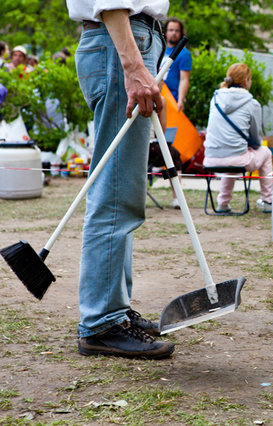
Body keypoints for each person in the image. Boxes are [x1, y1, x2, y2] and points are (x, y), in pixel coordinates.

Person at [67, 0, 175, 359]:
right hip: (122, 42)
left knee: (121, 189)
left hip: (128, 40)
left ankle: (113, 309)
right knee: (116, 192)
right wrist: (133, 64)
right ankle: (102, 322)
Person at [203, 63, 273, 213]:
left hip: (210, 158)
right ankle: (268, 201)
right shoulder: (252, 104)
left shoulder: (215, 100)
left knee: (234, 153)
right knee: (265, 152)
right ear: (246, 81)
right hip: (237, 159)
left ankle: (223, 203)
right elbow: (256, 139)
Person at [163, 18, 191, 112]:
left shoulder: (184, 54)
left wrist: (181, 100)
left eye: (177, 30)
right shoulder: (159, 48)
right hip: (156, 96)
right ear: (165, 32)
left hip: (172, 99)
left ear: (181, 33)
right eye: (171, 30)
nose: (174, 33)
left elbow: (184, 79)